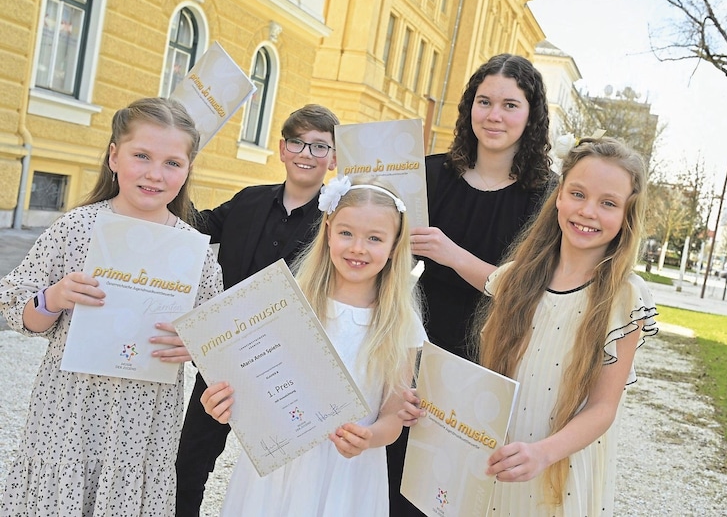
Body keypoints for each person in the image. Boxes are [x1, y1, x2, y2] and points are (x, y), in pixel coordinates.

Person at [401, 137, 658, 515]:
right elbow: (480, 377)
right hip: (499, 457)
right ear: (558, 195)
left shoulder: (624, 298)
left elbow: (603, 408)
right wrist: (426, 405)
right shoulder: (520, 278)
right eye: (578, 194)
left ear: (626, 215)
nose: (588, 211)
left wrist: (543, 453)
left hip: (558, 465)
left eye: (608, 203)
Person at [0, 97, 223, 516]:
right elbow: (17, 310)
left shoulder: (195, 251)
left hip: (145, 421)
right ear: (114, 157)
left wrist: (195, 346)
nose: (155, 174)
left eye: (172, 162)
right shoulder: (78, 227)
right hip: (68, 411)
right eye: (142, 156)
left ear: (188, 169)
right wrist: (53, 298)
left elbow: (214, 337)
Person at [388, 53, 555, 515]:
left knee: (459, 484)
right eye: (484, 102)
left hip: (494, 350)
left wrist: (452, 254)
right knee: (398, 470)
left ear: (531, 115)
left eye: (510, 105)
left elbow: (528, 289)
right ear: (469, 108)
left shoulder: (547, 195)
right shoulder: (430, 173)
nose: (494, 116)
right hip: (420, 339)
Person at [200, 176, 426, 516]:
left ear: (395, 246)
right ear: (328, 231)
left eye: (375, 238)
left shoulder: (401, 323)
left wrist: (372, 436)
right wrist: (224, 402)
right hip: (277, 471)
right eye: (346, 233)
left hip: (347, 474)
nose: (357, 248)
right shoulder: (288, 301)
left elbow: (394, 414)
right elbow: (257, 382)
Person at [175, 104, 340, 516]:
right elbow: (193, 225)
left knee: (286, 473)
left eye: (320, 146)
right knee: (190, 460)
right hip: (225, 358)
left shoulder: (338, 219)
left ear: (334, 158)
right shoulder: (249, 201)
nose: (307, 153)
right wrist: (172, 173)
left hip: (291, 365)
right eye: (298, 142)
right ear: (282, 149)